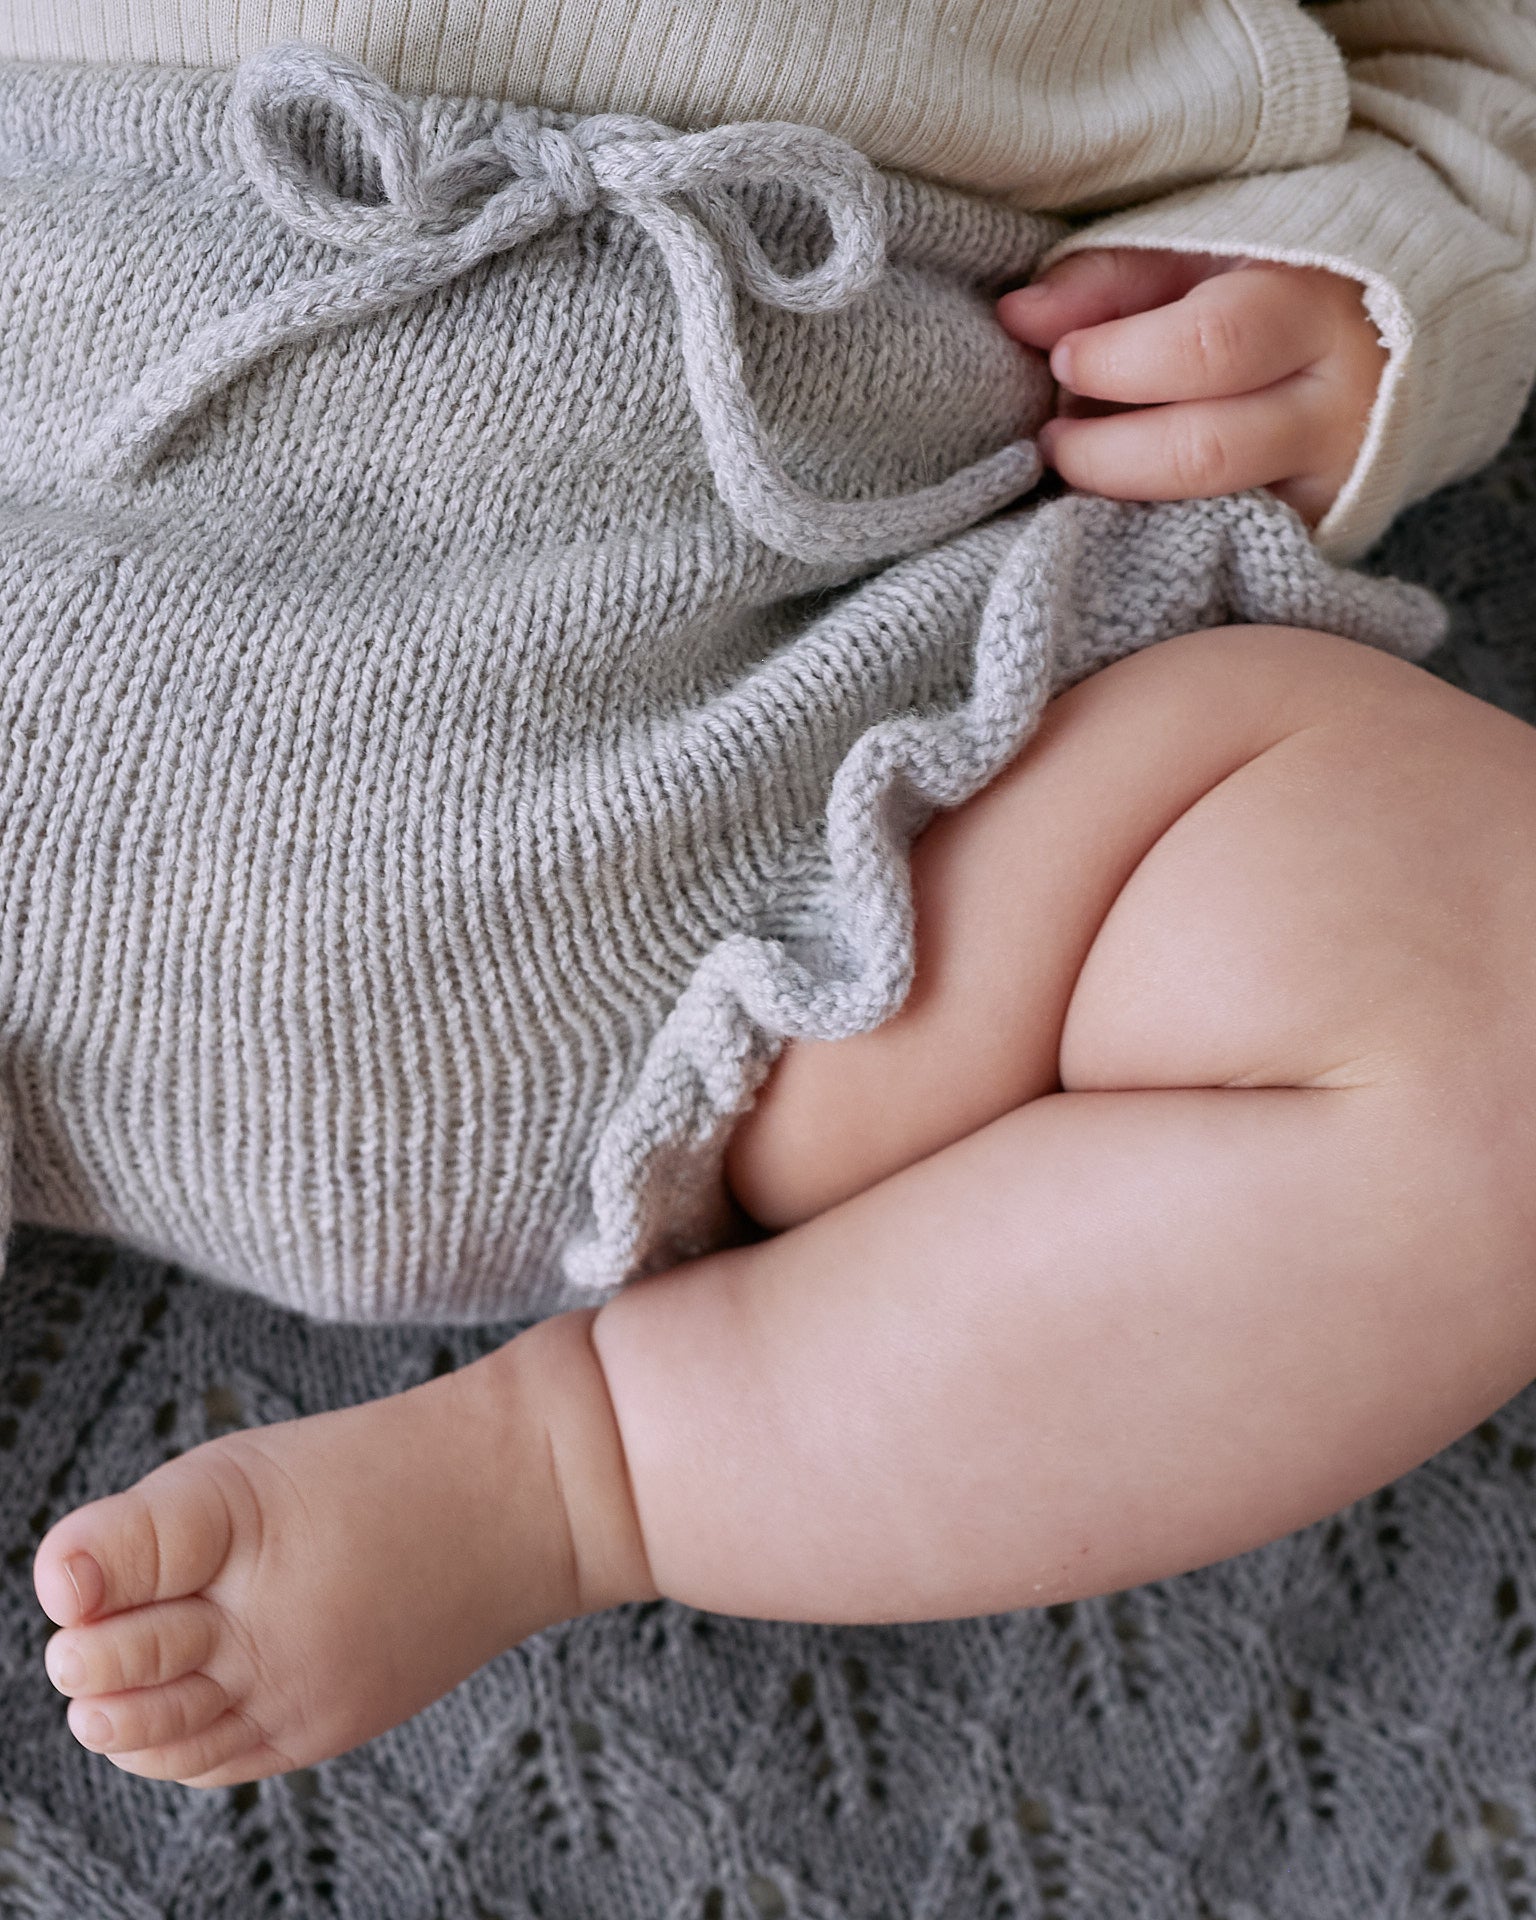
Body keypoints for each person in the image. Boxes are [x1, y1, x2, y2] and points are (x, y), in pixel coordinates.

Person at [2, 0, 1533, 1789]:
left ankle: (593, 1472)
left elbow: (1480, 83)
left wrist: (1370, 298)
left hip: (767, 776)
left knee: (1476, 970)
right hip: (78, 362)